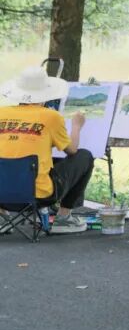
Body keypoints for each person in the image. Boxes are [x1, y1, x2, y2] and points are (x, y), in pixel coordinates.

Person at [0, 66, 95, 234]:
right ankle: (64, 218)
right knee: (84, 156)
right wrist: (76, 126)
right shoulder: (51, 116)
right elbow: (72, 150)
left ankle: (2, 217)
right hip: (38, 195)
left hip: (2, 195)